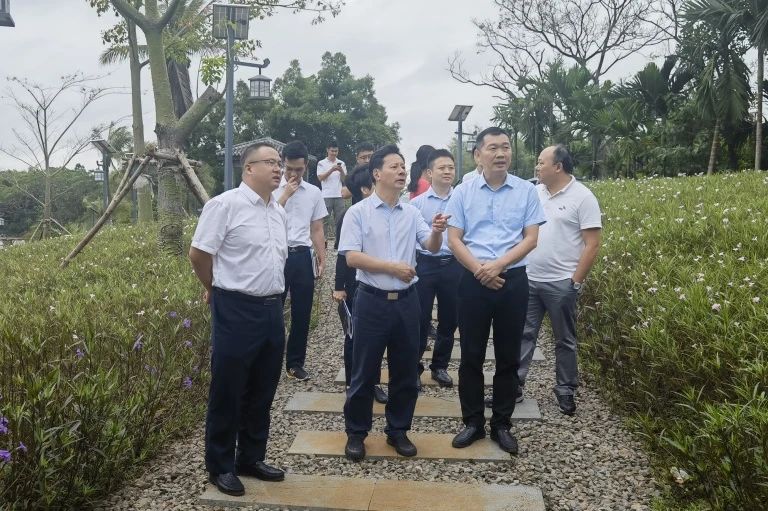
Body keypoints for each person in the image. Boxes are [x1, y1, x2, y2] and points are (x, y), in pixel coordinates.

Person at [189, 142, 287, 497]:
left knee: (262, 388)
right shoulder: (224, 205)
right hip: (235, 308)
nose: (278, 168)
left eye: (279, 162)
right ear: (249, 168)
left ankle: (251, 457)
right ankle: (220, 465)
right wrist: (212, 287)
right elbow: (199, 254)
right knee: (228, 390)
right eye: (270, 162)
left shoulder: (277, 210)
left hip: (272, 308)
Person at [339, 144, 449, 462]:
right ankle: (356, 433)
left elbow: (430, 246)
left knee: (404, 371)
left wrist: (438, 232)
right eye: (394, 166)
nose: (402, 171)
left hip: (406, 302)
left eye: (403, 166)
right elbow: (352, 257)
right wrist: (392, 268)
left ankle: (398, 430)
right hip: (371, 301)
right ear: (376, 174)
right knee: (364, 372)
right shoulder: (358, 213)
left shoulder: (412, 213)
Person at [445, 127, 546, 455]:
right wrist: (480, 270)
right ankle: (473, 422)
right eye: (493, 148)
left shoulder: (526, 191)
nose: (501, 153)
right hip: (472, 281)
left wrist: (498, 265)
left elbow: (531, 238)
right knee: (471, 355)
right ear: (478, 155)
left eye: (505, 147)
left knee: (508, 355)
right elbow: (454, 239)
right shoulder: (463, 192)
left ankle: (502, 423)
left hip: (512, 281)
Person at [517, 144, 602, 415]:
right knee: (523, 334)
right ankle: (513, 385)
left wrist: (574, 282)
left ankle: (565, 389)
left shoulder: (583, 197)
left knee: (564, 339)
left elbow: (592, 244)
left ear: (558, 166)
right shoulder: (534, 192)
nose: (537, 167)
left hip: (561, 283)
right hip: (530, 278)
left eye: (541, 162)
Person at [333, 165, 388, 404]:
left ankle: (373, 382)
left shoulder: (383, 213)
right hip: (355, 287)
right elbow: (342, 257)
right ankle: (352, 383)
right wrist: (339, 287)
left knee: (376, 337)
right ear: (366, 189)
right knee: (353, 337)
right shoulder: (351, 215)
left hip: (377, 286)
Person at [276, 141, 328, 382]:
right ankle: (270, 360)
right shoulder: (272, 189)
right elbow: (264, 217)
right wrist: (285, 194)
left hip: (302, 255)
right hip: (276, 255)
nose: (293, 174)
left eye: (298, 169)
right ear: (282, 164)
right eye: (289, 169)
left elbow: (317, 227)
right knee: (273, 310)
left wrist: (322, 256)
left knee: (302, 312)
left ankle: (295, 363)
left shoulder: (314, 193)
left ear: (306, 166)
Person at [411, 149, 460, 388]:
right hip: (425, 264)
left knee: (449, 318)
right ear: (430, 173)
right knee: (419, 318)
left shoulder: (462, 200)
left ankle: (440, 366)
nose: (447, 171)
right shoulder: (416, 204)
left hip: (453, 264)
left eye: (451, 167)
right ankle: (414, 367)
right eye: (442, 168)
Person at [317, 140, 347, 238]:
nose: (334, 153)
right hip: (326, 195)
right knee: (324, 221)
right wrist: (331, 170)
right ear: (327, 150)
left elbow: (344, 180)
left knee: (340, 220)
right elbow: (320, 178)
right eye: (332, 151)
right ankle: (324, 242)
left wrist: (341, 170)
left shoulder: (341, 163)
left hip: (339, 195)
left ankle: (338, 242)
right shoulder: (321, 163)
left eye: (336, 151)